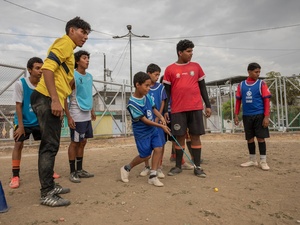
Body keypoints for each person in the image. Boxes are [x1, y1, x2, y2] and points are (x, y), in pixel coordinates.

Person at [30, 17, 91, 207]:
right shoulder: (64, 43)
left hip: (50, 98)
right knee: (49, 147)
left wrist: (60, 101)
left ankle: (50, 185)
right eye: (83, 32)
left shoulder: (69, 52)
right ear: (71, 30)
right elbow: (48, 69)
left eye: (87, 34)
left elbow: (60, 81)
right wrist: (55, 100)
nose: (85, 37)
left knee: (52, 145)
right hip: (45, 98)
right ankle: (46, 193)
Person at [163, 39, 211, 178]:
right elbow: (167, 92)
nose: (191, 54)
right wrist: (166, 110)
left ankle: (198, 167)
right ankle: (178, 166)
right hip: (178, 110)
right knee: (180, 137)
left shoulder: (196, 67)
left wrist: (207, 105)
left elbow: (203, 87)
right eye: (188, 51)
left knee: (195, 136)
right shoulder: (170, 69)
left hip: (195, 108)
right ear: (180, 52)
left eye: (192, 51)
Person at [10, 57, 60, 189]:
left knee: (47, 145)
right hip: (24, 122)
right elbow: (18, 106)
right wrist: (20, 126)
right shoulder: (20, 84)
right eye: (37, 68)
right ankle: (15, 175)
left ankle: (48, 170)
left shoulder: (44, 85)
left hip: (39, 121)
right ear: (29, 70)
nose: (40, 71)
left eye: (42, 68)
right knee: (18, 143)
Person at [120, 72, 170, 187]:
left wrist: (161, 116)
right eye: (146, 86)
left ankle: (153, 175)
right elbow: (144, 120)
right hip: (142, 133)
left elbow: (153, 109)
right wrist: (161, 126)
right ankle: (127, 168)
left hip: (152, 130)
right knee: (146, 156)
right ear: (138, 85)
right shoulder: (132, 104)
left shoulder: (146, 96)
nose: (149, 88)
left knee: (158, 148)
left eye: (149, 86)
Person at [64, 50, 96, 183]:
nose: (87, 60)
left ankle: (80, 169)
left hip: (86, 113)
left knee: (83, 142)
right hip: (76, 114)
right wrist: (69, 117)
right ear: (77, 61)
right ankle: (72, 172)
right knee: (75, 142)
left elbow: (88, 94)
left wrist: (92, 110)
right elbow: (64, 97)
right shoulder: (72, 76)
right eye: (84, 58)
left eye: (88, 58)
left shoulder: (89, 76)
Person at [234, 62, 271, 171]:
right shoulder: (241, 85)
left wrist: (266, 116)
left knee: (260, 138)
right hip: (247, 115)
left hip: (259, 115)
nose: (258, 74)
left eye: (259, 72)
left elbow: (267, 100)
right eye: (256, 72)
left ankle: (263, 161)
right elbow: (238, 101)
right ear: (249, 72)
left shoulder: (261, 84)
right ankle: (252, 160)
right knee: (249, 138)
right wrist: (236, 115)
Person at [139, 64, 167, 179]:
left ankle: (158, 166)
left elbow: (162, 102)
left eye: (159, 75)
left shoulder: (160, 87)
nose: (157, 77)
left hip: (157, 120)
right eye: (156, 74)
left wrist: (159, 117)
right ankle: (147, 166)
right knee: (146, 145)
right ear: (148, 73)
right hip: (145, 121)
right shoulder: (143, 87)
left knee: (160, 143)